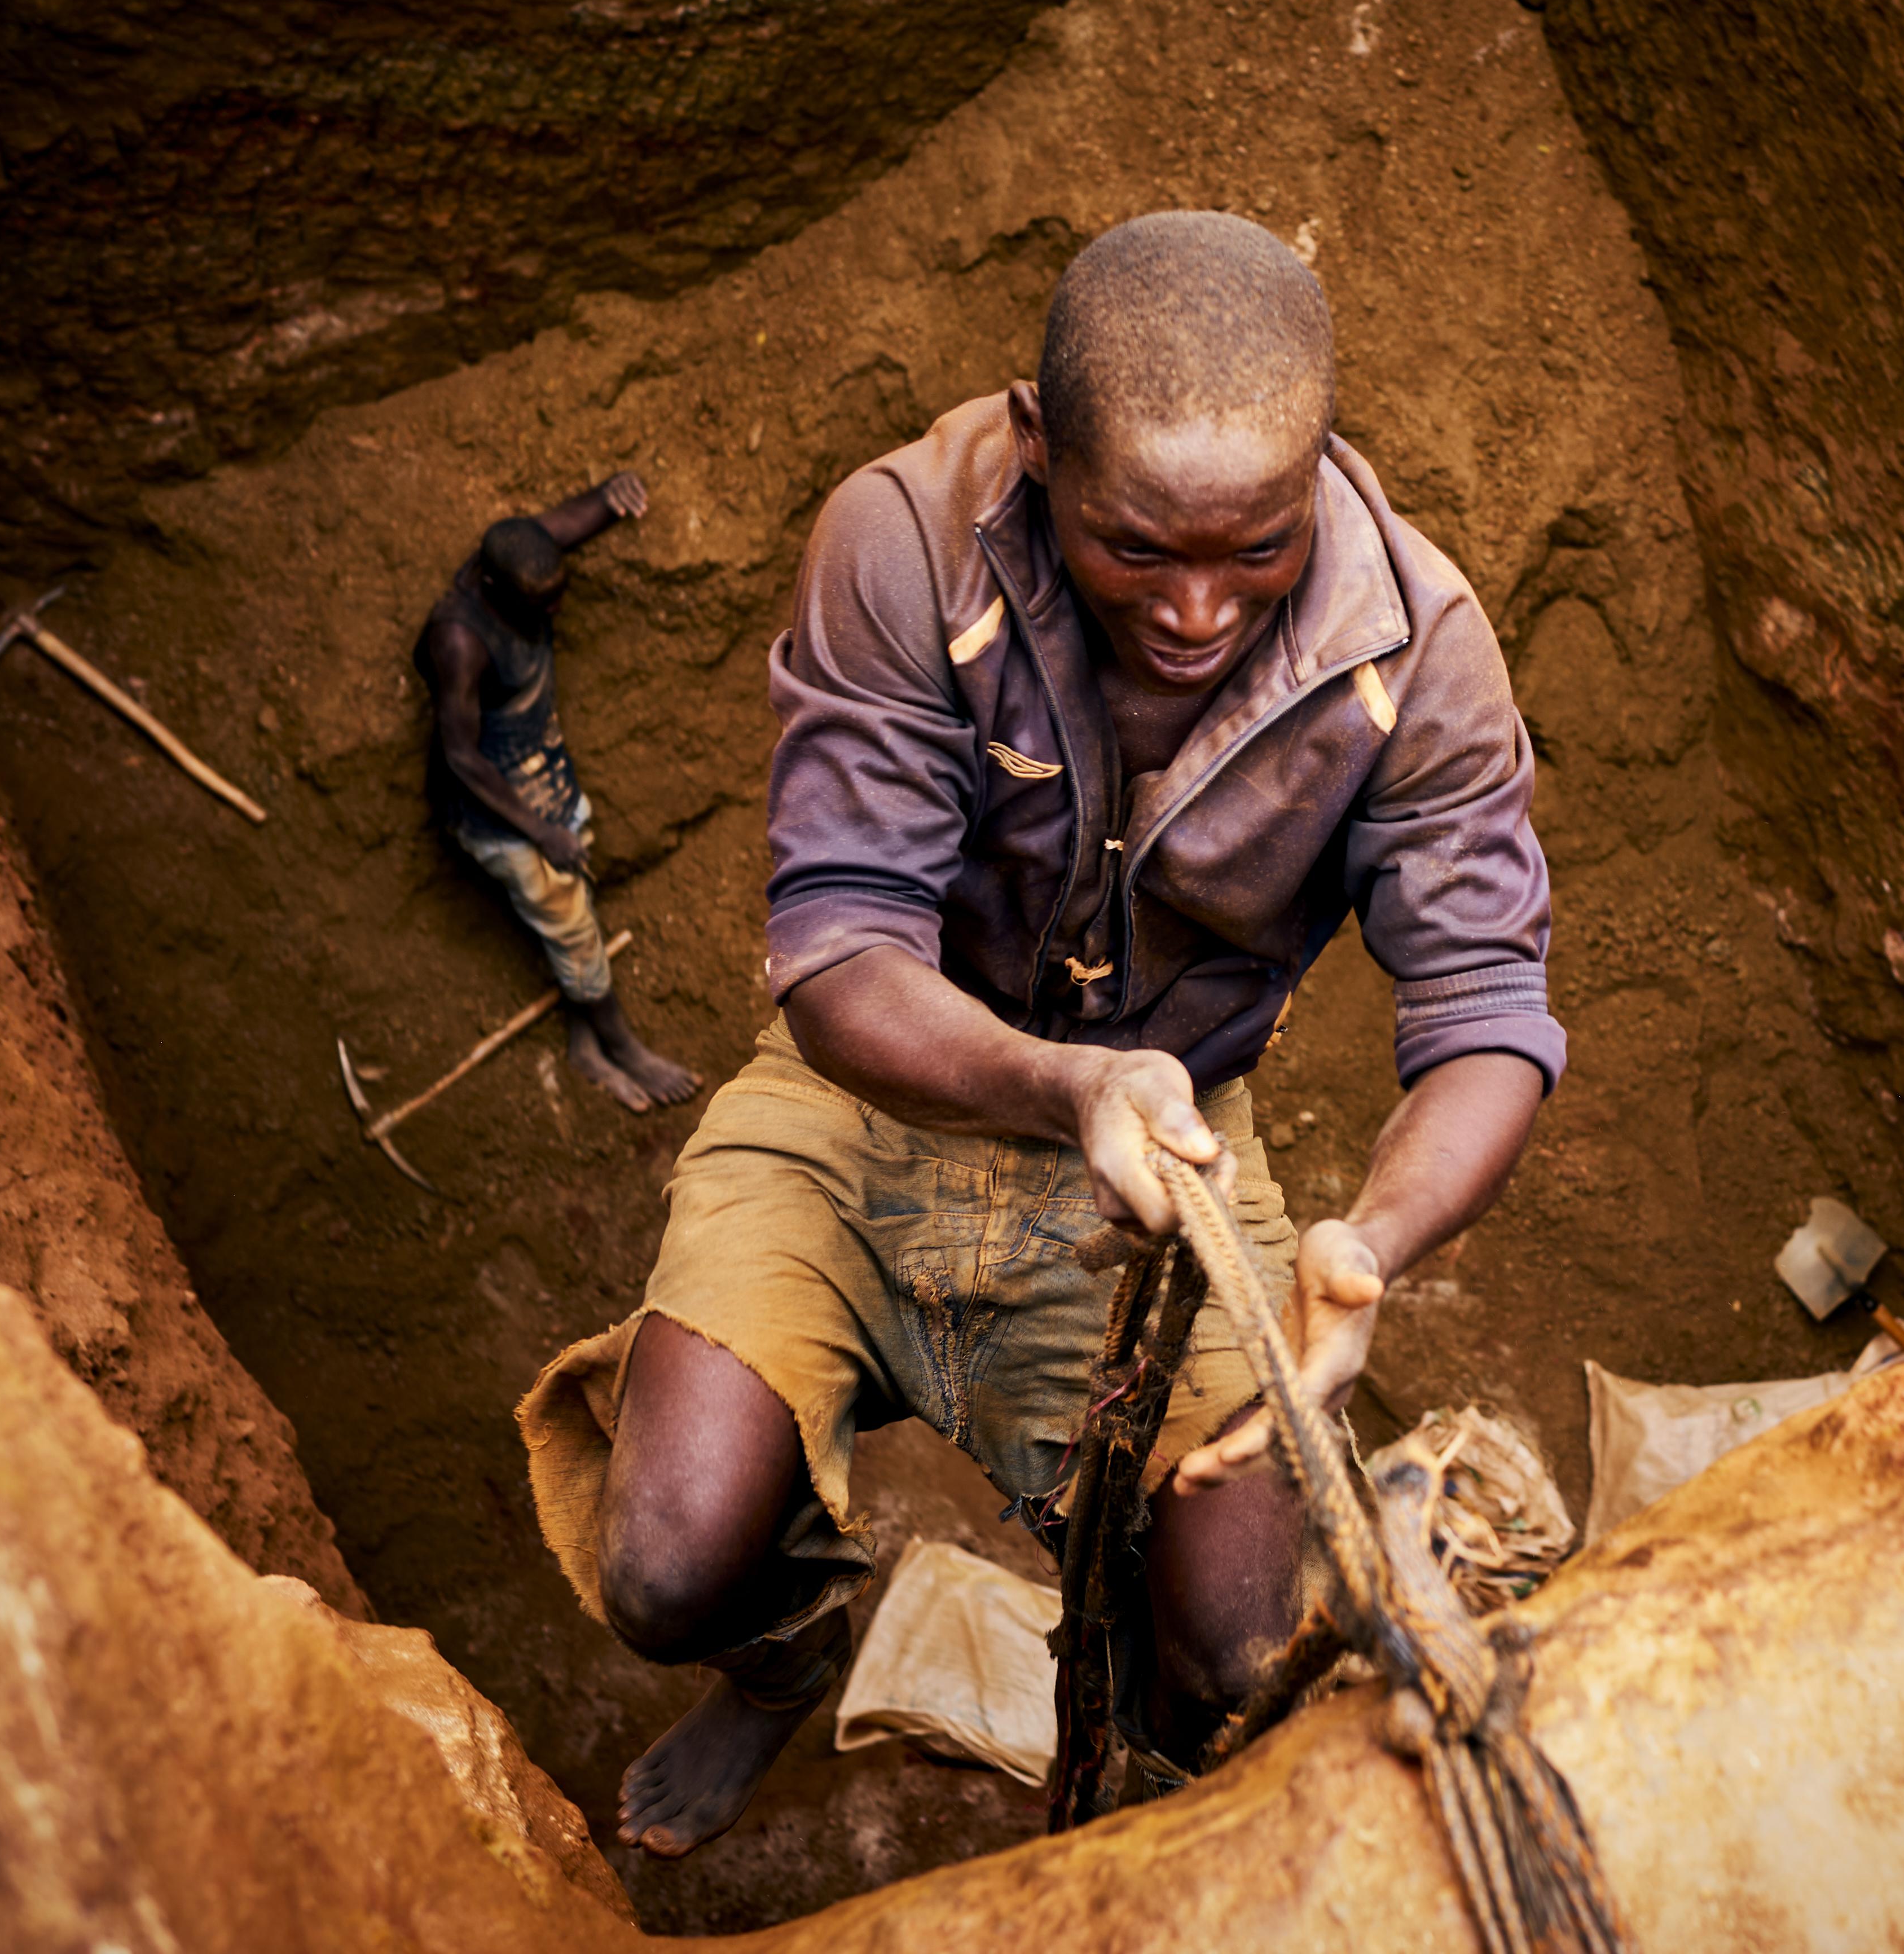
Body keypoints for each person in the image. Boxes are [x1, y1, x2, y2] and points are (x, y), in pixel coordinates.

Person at [517, 211, 1562, 1856]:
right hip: (876, 1098)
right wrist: (1057, 1079)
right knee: (668, 1557)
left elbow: (1489, 1015)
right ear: (1038, 448)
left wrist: (1366, 1240)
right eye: (1136, 547)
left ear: (1321, 473)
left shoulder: (1414, 650)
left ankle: (1120, 1793)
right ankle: (782, 1658)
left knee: (1231, 1656)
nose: (1199, 609)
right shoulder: (905, 539)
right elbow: (843, 946)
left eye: (1257, 548)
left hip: (1169, 1153)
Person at [417, 474, 700, 1114]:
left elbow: (582, 515)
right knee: (571, 923)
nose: (554, 615)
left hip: (543, 768)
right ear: (493, 591)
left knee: (577, 882)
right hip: (494, 808)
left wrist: (614, 495)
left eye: (556, 598)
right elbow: (461, 756)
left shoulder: (524, 557)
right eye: (539, 606)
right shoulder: (458, 640)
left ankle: (582, 1034)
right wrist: (540, 832)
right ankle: (619, 1045)